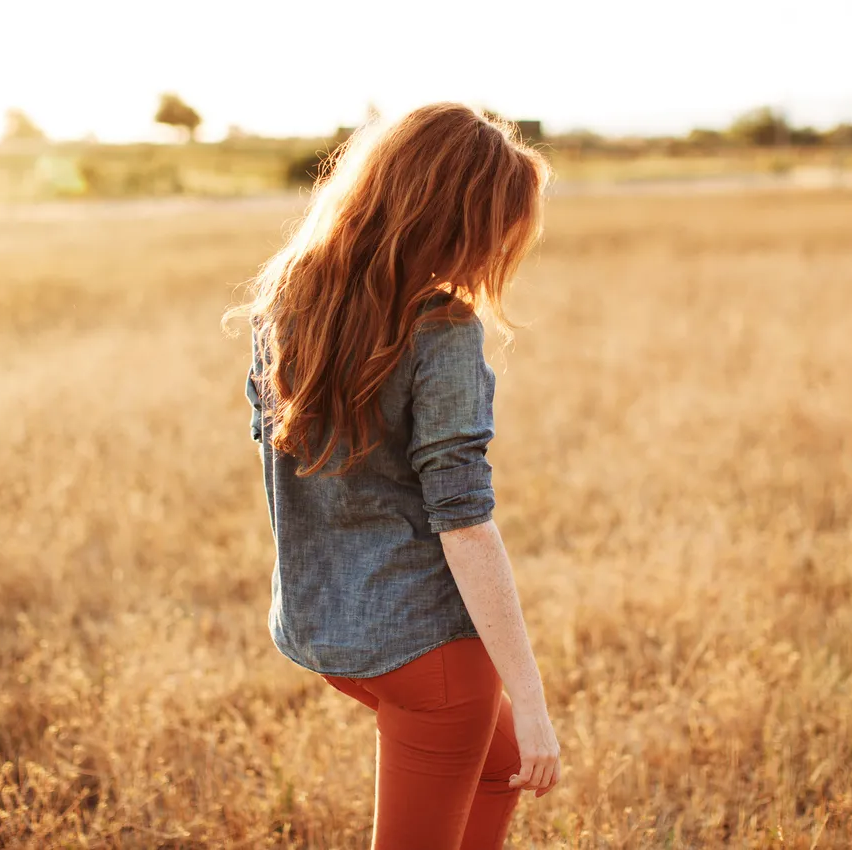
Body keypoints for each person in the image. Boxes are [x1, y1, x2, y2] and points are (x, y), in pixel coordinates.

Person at [226, 102, 560, 850]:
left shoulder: (286, 298)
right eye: (490, 232)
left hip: (327, 634)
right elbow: (464, 521)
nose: (494, 253)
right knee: (502, 753)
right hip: (428, 654)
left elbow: (277, 461)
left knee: (496, 767)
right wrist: (531, 701)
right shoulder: (441, 330)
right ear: (447, 220)